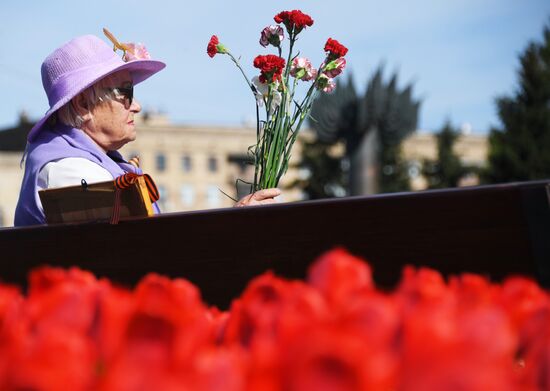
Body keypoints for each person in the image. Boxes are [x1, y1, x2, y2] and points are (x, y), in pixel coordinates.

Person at [14, 33, 279, 226]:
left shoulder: (84, 161)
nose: (137, 106)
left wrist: (233, 221)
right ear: (83, 104)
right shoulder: (69, 168)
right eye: (126, 92)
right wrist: (233, 226)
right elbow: (143, 254)